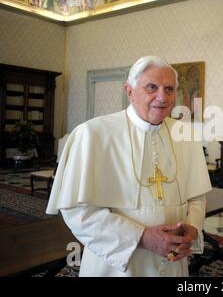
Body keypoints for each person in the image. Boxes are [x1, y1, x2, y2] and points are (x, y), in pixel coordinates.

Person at [46, 56, 212, 276]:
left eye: (169, 89)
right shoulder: (92, 134)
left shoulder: (186, 135)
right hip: (115, 265)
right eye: (151, 87)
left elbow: (196, 198)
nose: (162, 97)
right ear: (129, 91)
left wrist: (192, 227)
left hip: (172, 262)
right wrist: (141, 237)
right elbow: (77, 212)